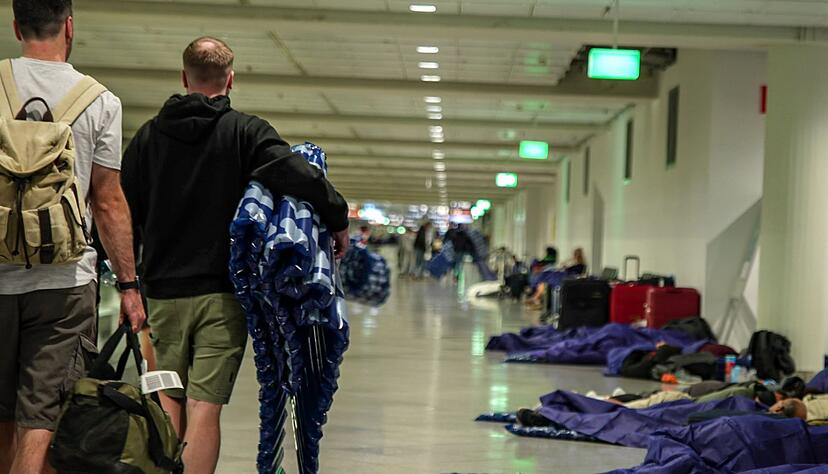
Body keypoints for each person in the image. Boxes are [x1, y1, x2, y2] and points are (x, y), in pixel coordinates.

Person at [121, 37, 350, 474]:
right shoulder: (245, 132)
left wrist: (130, 285)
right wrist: (337, 216)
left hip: (162, 295)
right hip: (221, 295)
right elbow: (296, 174)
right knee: (204, 405)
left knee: (167, 395)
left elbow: (122, 213)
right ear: (230, 79)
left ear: (184, 77)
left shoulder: (147, 137)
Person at [0, 1, 146, 472]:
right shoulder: (100, 101)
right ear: (69, 26)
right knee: (43, 414)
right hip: (65, 283)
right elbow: (107, 202)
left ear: (16, 25)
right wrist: (129, 284)